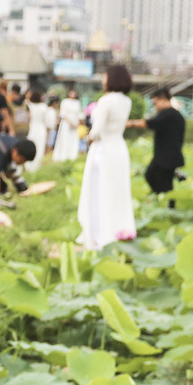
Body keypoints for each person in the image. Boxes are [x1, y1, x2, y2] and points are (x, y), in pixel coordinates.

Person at [76, 65, 137, 249]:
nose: (103, 80)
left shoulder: (106, 100)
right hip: (119, 148)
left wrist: (88, 136)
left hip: (102, 150)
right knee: (117, 192)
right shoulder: (126, 101)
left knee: (98, 191)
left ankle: (99, 234)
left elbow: (97, 130)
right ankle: (117, 230)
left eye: (105, 77)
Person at [130, 88, 188, 205]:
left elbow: (150, 123)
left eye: (155, 102)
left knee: (154, 176)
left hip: (166, 156)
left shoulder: (168, 114)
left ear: (162, 99)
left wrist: (129, 123)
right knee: (162, 181)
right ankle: (165, 201)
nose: (155, 106)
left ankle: (167, 204)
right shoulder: (175, 115)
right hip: (170, 155)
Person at [54, 88, 84, 164]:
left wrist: (78, 123)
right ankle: (63, 156)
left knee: (73, 139)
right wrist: (70, 122)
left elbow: (79, 114)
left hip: (75, 123)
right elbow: (63, 114)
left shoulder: (77, 102)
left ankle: (72, 156)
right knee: (65, 139)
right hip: (66, 124)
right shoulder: (65, 102)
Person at [29, 93, 59, 158]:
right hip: (41, 128)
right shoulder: (43, 106)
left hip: (32, 127)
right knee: (40, 146)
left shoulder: (30, 105)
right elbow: (48, 121)